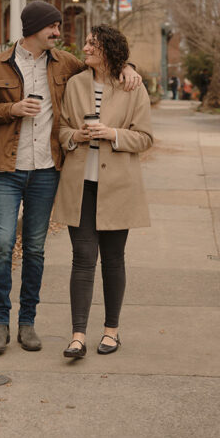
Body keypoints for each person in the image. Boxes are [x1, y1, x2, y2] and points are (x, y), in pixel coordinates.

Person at [0, 1, 141, 356]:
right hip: (5, 170)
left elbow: (105, 66)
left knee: (34, 249)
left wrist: (128, 66)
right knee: (2, 246)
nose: (58, 32)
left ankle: (27, 323)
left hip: (47, 171)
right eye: (53, 27)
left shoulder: (65, 63)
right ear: (34, 28)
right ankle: (0, 322)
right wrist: (12, 109)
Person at [56, 24, 152, 359]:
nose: (85, 48)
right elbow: (62, 128)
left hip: (118, 187)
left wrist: (112, 133)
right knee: (82, 259)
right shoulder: (75, 84)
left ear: (108, 51)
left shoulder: (132, 87)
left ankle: (111, 331)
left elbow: (144, 137)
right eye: (85, 43)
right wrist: (75, 137)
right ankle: (78, 336)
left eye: (92, 44)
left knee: (113, 259)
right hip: (80, 186)